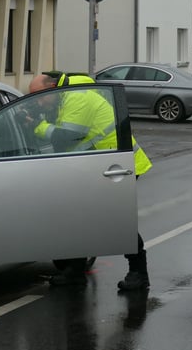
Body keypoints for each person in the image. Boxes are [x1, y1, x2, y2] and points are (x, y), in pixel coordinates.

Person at [28, 72, 153, 291]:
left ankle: (139, 273)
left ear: (52, 86)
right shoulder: (65, 97)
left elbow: (66, 137)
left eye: (39, 96)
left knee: (116, 221)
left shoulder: (78, 96)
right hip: (100, 166)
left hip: (117, 167)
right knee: (81, 217)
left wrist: (38, 127)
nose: (38, 102)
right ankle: (76, 271)